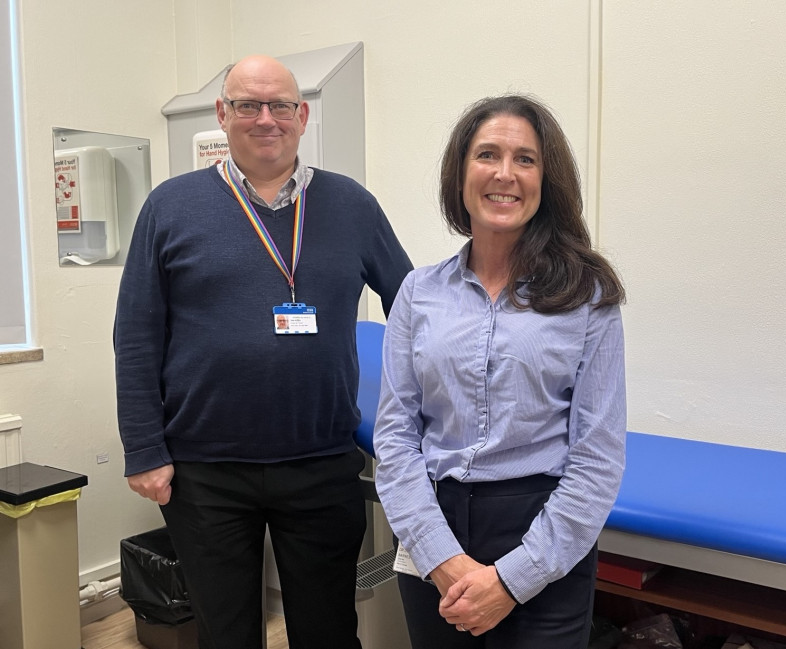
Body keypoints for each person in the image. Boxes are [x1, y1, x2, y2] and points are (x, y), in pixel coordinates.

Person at [113, 55, 412, 649]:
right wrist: (144, 448)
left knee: (328, 630)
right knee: (226, 633)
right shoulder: (170, 207)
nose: (265, 118)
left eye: (279, 105)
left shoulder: (352, 205)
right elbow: (136, 333)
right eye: (248, 105)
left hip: (321, 461)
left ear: (302, 117)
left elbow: (412, 307)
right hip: (203, 470)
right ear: (223, 115)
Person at [373, 94, 627, 649]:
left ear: (547, 178)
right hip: (431, 527)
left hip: (544, 534)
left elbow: (598, 457)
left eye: (526, 159)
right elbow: (394, 437)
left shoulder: (588, 295)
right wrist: (440, 557)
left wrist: (514, 580)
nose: (505, 174)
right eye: (487, 154)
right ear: (460, 173)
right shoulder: (419, 292)